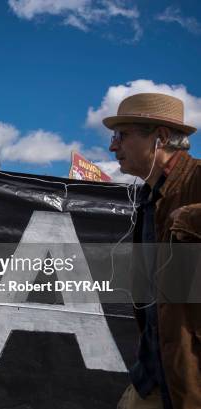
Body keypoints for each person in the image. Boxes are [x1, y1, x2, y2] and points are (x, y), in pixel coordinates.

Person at [104, 93, 201, 409]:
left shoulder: (197, 181)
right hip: (152, 381)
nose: (112, 146)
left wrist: (191, 217)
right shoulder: (148, 199)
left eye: (122, 135)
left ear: (159, 138)